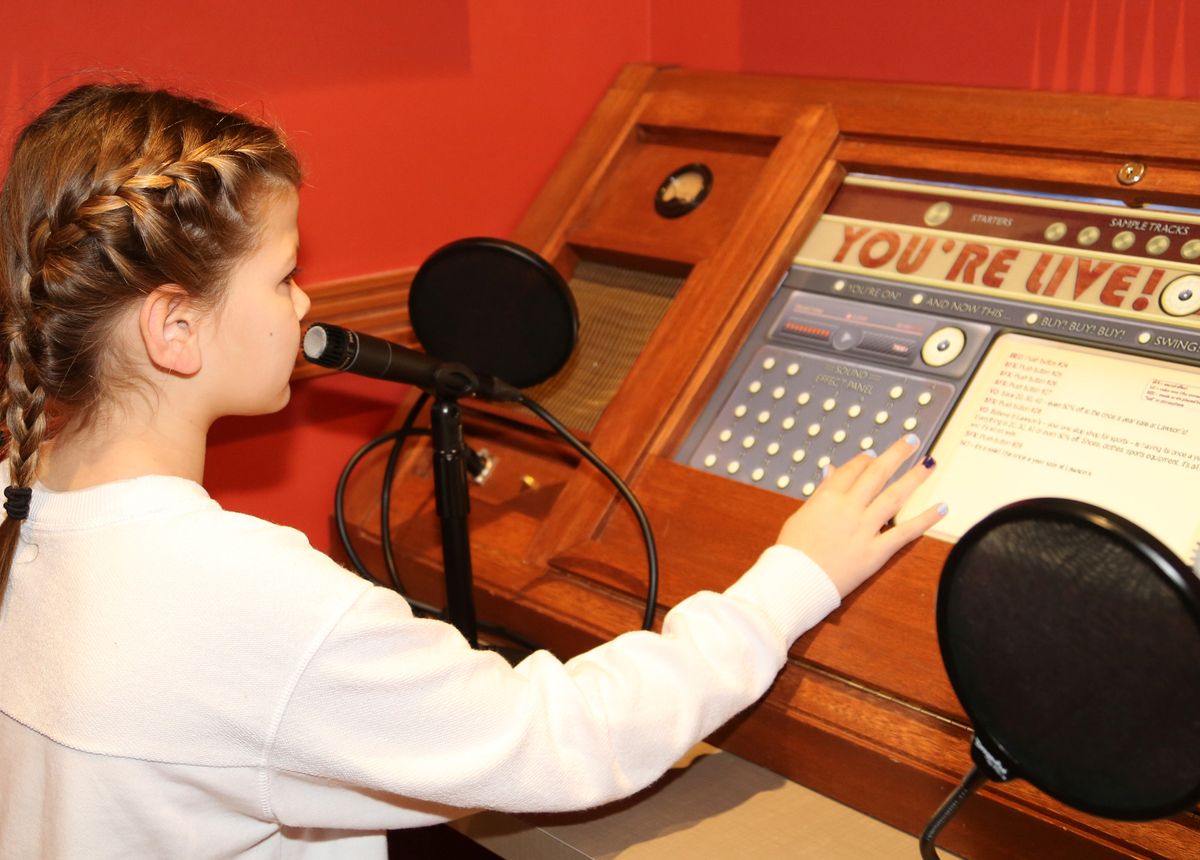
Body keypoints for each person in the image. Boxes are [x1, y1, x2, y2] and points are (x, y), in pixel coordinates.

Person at [0, 83, 947, 859]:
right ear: (175, 327)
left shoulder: (26, 498)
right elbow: (564, 740)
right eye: (283, 275)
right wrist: (794, 579)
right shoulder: (248, 599)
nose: (307, 302)